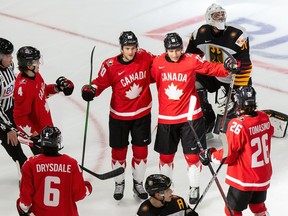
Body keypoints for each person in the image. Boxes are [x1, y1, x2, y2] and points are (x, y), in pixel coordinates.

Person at [150, 32, 237, 205]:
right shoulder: (157, 63)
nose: (175, 54)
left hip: (191, 117)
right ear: (166, 50)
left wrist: (227, 67)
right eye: (171, 50)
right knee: (165, 157)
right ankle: (164, 188)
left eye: (177, 50)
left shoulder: (191, 59)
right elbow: (149, 78)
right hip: (167, 118)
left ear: (182, 48)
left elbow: (210, 68)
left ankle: (194, 187)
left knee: (193, 157)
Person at [81, 31, 155, 201]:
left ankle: (138, 183)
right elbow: (98, 83)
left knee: (141, 152)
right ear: (121, 48)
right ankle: (119, 183)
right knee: (119, 153)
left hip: (142, 115)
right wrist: (90, 89)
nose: (131, 52)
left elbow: (160, 65)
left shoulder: (144, 56)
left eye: (133, 48)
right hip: (119, 117)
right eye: (127, 48)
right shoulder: (110, 65)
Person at [199, 86, 273, 216]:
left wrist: (211, 155)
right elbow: (269, 131)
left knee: (232, 210)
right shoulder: (264, 117)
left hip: (244, 178)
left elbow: (228, 155)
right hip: (262, 175)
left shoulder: (238, 124)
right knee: (258, 207)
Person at [185, 3, 253, 139]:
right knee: (193, 85)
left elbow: (245, 65)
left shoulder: (238, 35)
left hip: (234, 77)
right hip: (213, 73)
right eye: (216, 15)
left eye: (222, 14)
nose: (220, 17)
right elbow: (191, 59)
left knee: (243, 104)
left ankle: (243, 124)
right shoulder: (200, 33)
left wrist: (236, 91)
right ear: (209, 18)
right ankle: (207, 119)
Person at [16, 126, 92, 216]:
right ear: (58, 142)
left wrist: (21, 208)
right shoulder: (71, 163)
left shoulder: (30, 164)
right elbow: (79, 194)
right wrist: (88, 187)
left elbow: (25, 203)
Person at [13, 46, 74, 153]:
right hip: (41, 136)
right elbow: (20, 118)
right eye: (36, 61)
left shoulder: (36, 75)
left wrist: (57, 88)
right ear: (28, 64)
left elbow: (43, 92)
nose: (39, 63)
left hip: (46, 130)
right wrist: (35, 136)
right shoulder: (23, 88)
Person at [0, 38, 28, 175]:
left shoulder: (9, 66)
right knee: (14, 145)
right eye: (7, 55)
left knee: (30, 136)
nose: (11, 58)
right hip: (1, 117)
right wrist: (8, 128)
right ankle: (28, 172)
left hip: (9, 110)